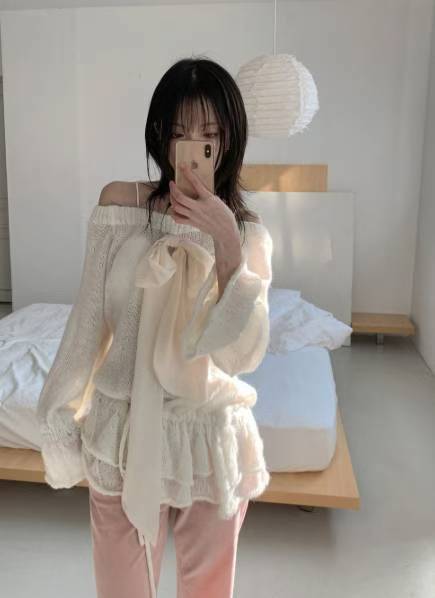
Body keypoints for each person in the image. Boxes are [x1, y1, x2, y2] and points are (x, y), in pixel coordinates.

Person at [37, 56, 274, 598]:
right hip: (121, 432)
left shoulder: (248, 234)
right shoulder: (119, 206)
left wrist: (227, 244)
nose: (194, 147)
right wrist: (59, 413)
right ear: (160, 134)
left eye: (210, 135)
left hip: (207, 436)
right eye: (180, 132)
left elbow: (242, 355)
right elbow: (87, 321)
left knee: (207, 591)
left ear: (230, 141)